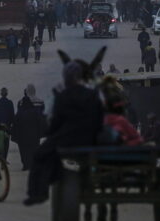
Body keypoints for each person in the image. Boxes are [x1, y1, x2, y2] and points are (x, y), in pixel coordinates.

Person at [24, 61, 104, 206]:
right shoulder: (92, 95)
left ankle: (38, 193)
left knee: (40, 155)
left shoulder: (63, 96)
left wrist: (49, 133)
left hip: (68, 139)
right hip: (91, 139)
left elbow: (55, 123)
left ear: (67, 78)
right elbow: (100, 120)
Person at [12, 94, 46, 171]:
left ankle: (26, 164)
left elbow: (15, 124)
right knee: (33, 150)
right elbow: (40, 123)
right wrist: (40, 133)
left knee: (24, 152)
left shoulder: (20, 113)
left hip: (22, 137)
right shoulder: (34, 112)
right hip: (34, 136)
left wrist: (15, 135)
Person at [0, 88, 15, 160]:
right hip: (7, 126)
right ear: (7, 94)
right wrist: (11, 124)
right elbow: (12, 115)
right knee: (6, 144)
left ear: (1, 94)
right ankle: (4, 158)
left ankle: (0, 158)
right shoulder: (10, 103)